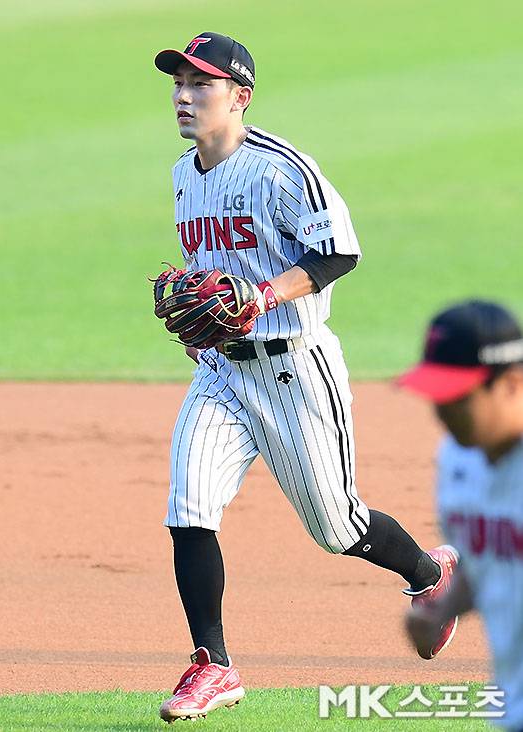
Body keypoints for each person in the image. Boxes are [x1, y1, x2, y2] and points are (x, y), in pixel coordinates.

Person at [153, 31, 457, 723]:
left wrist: (262, 298)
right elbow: (208, 270)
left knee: (339, 528)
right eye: (178, 83)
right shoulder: (181, 173)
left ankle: (430, 577)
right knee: (189, 509)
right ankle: (213, 665)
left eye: (201, 84)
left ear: (240, 96)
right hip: (222, 375)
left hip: (295, 369)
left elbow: (337, 252)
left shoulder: (282, 168)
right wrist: (205, 326)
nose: (183, 95)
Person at [399, 299, 523, 731]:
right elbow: (487, 556)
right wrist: (444, 606)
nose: (444, 414)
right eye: (437, 397)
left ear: (511, 383)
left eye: (458, 398)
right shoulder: (457, 459)